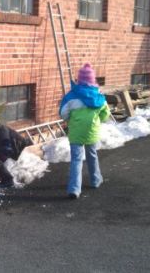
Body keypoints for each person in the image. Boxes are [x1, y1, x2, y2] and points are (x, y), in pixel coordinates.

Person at [59, 63, 110, 199]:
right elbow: (105, 113)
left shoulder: (72, 96)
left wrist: (70, 121)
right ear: (93, 80)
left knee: (76, 159)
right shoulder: (99, 96)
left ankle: (74, 189)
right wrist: (98, 119)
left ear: (79, 79)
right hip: (92, 132)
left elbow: (63, 113)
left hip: (76, 132)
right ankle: (96, 180)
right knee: (92, 155)